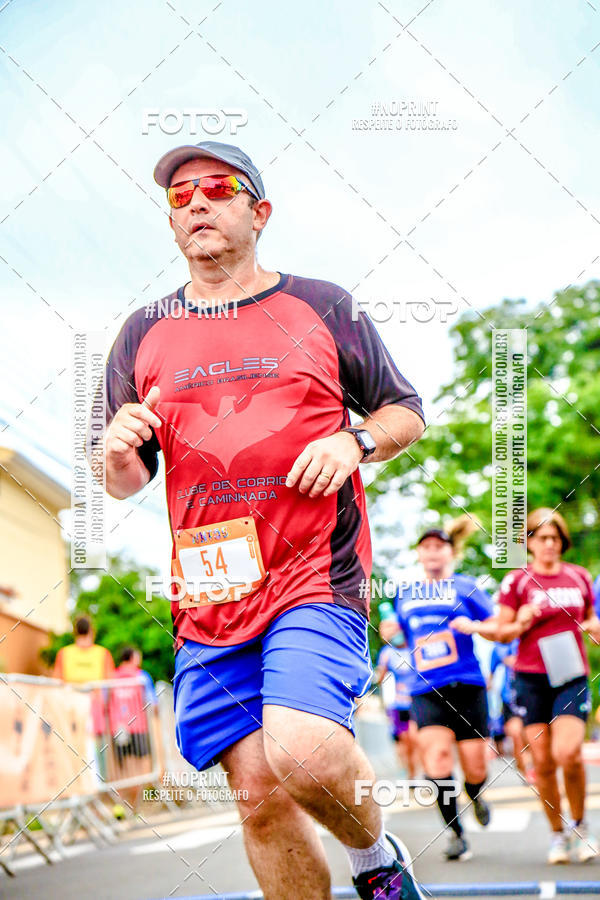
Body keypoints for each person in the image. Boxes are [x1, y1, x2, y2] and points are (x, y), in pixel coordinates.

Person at [88, 139, 427, 900]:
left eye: (217, 188)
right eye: (180, 197)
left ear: (259, 211)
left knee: (303, 754)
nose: (197, 203)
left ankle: (376, 862)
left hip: (314, 573)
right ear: (172, 223)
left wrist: (356, 438)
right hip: (211, 591)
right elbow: (126, 476)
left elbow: (407, 412)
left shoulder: (323, 304)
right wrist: (112, 457)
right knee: (263, 801)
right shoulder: (143, 332)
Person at [381, 516, 495, 861]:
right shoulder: (406, 593)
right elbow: (399, 635)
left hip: (468, 685)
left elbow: (496, 624)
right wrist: (390, 631)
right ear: (419, 554)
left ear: (450, 552)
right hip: (425, 688)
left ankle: (475, 793)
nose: (432, 552)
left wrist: (474, 626)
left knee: (475, 767)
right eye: (426, 547)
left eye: (439, 546)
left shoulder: (467, 587)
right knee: (437, 762)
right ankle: (457, 834)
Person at [495, 508, 600, 864]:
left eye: (555, 538)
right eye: (541, 538)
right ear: (529, 543)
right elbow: (502, 631)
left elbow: (590, 618)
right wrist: (520, 622)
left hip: (570, 675)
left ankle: (581, 827)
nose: (549, 544)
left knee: (568, 754)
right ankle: (557, 836)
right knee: (542, 761)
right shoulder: (517, 582)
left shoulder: (580, 577)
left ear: (563, 542)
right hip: (530, 677)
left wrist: (593, 626)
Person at [54, 615, 114, 780]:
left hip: (70, 709)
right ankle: (96, 787)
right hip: (92, 710)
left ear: (75, 632)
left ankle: (79, 786)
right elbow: (111, 685)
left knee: (75, 749)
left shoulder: (64, 653)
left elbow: (56, 684)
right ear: (91, 631)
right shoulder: (102, 653)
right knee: (95, 749)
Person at [109, 647, 158, 811]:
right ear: (133, 658)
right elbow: (152, 703)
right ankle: (134, 807)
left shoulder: (112, 677)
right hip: (138, 726)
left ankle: (121, 806)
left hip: (118, 728)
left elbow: (104, 702)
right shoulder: (141, 676)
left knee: (123, 769)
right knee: (140, 768)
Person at [375, 611, 419, 780]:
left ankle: (421, 774)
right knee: (404, 743)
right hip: (397, 705)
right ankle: (411, 775)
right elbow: (380, 678)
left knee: (416, 740)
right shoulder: (386, 653)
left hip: (416, 701)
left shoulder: (415, 646)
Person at [488, 640, 534, 782]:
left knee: (534, 737)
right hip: (511, 698)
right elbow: (490, 677)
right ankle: (526, 771)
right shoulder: (501, 645)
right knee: (516, 734)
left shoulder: (532, 635)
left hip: (534, 694)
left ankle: (535, 767)